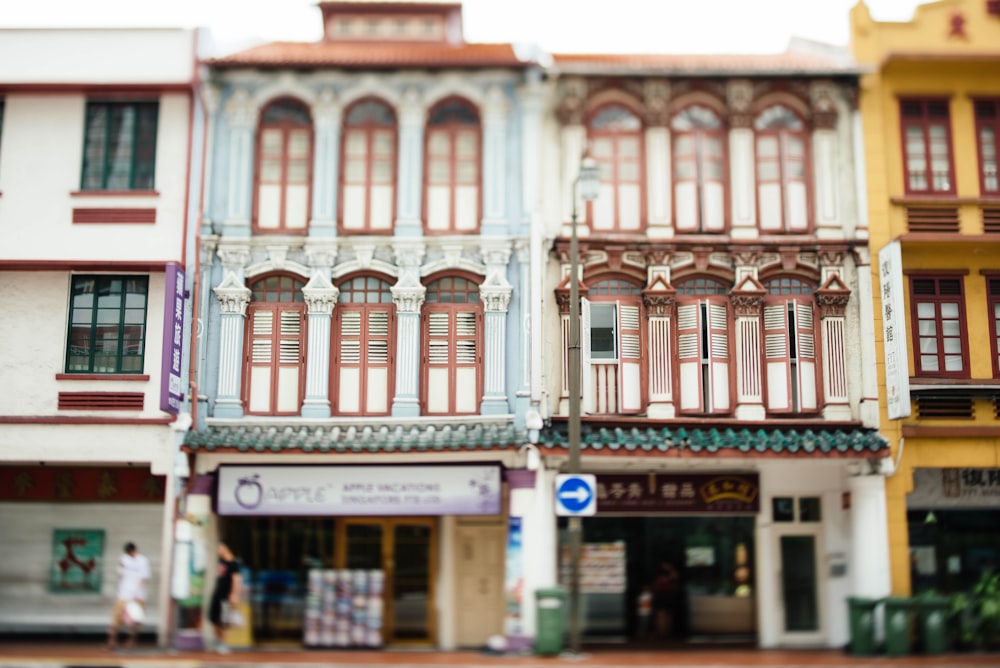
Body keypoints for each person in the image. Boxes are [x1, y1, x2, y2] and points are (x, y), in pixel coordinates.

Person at [106, 541, 150, 650]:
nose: (130, 554)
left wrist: (136, 593)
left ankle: (131, 641)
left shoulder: (143, 560)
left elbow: (143, 578)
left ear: (135, 550)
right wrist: (119, 592)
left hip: (138, 595)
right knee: (116, 617)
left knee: (136, 618)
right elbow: (120, 576)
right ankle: (112, 641)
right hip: (124, 593)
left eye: (131, 552)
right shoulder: (123, 559)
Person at [209, 541, 242, 654]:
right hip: (217, 593)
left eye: (220, 548)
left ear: (227, 548)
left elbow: (236, 580)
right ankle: (218, 641)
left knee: (224, 620)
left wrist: (234, 594)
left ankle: (224, 643)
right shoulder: (221, 561)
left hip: (226, 595)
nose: (218, 550)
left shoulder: (234, 564)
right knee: (213, 618)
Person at [651, 561, 679, 639]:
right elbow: (655, 584)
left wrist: (670, 569)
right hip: (660, 595)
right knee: (661, 614)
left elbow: (675, 577)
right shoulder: (657, 573)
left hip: (668, 595)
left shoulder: (669, 573)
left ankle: (666, 631)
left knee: (668, 614)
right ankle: (661, 632)